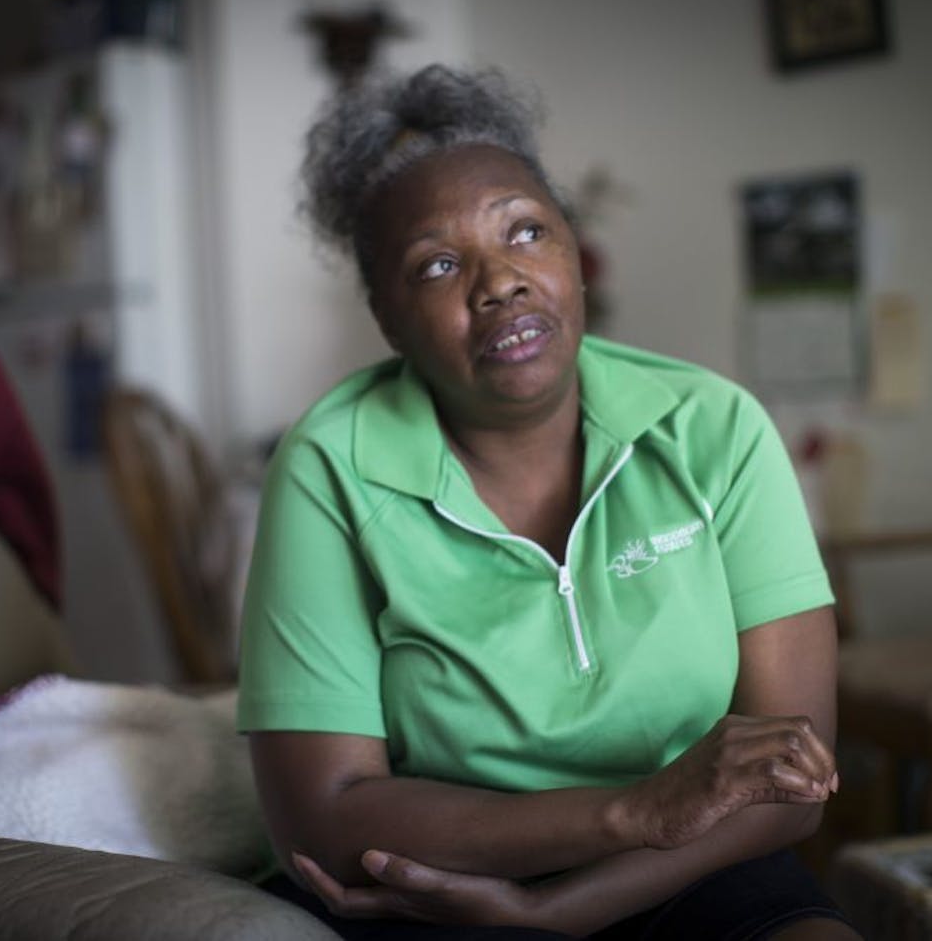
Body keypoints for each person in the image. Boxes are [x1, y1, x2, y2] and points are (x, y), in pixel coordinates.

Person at [235, 64, 860, 940]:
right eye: (439, 264)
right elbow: (323, 816)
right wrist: (629, 810)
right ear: (386, 315)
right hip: (443, 885)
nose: (500, 281)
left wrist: (562, 908)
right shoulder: (329, 466)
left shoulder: (714, 428)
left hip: (690, 867)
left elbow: (794, 789)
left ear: (574, 254)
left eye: (527, 231)